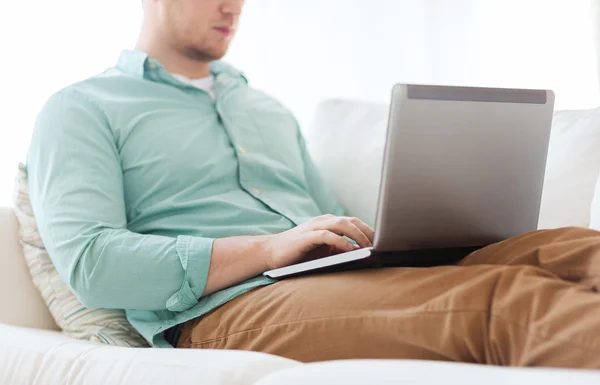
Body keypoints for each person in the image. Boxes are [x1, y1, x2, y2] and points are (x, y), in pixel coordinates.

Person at [27, 0, 600, 368]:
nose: (234, 6)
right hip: (225, 310)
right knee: (501, 303)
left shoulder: (265, 108)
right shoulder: (81, 108)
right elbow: (94, 263)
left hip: (327, 278)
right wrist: (271, 248)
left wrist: (401, 238)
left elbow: (325, 219)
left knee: (571, 248)